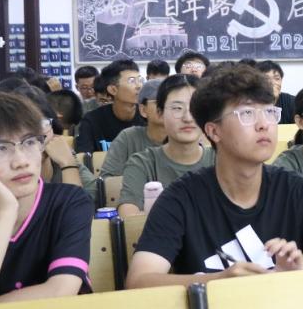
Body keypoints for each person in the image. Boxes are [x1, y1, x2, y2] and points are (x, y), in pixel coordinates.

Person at [125, 65, 303, 288]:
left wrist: (294, 279)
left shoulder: (294, 189)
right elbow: (138, 281)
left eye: (269, 112)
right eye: (247, 113)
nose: (264, 124)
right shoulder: (181, 198)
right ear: (213, 131)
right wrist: (218, 281)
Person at [0, 92, 94, 308]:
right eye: (0, 148)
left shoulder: (69, 202)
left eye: (29, 142)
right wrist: (5, 213)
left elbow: (61, 290)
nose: (21, 161)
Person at [117, 75, 216, 217]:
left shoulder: (221, 159)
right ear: (160, 113)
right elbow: (128, 216)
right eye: (177, 108)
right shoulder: (142, 163)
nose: (188, 118)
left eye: (195, 108)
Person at [13, 86, 96, 191]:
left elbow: (92, 192)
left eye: (42, 123)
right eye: (24, 128)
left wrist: (67, 163)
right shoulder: (12, 166)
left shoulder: (60, 153)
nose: (36, 135)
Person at [98, 79, 169, 179]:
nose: (165, 107)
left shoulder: (183, 138)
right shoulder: (128, 138)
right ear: (143, 110)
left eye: (171, 102)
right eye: (159, 102)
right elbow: (107, 179)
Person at [74, 59, 146, 153]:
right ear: (113, 90)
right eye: (131, 81)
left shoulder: (148, 117)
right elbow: (83, 156)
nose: (139, 86)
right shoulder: (92, 120)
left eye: (140, 80)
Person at [256, 60, 295, 124]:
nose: (272, 83)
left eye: (277, 78)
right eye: (266, 79)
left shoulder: (291, 102)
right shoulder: (250, 104)